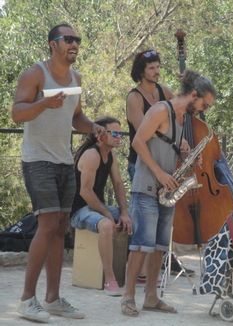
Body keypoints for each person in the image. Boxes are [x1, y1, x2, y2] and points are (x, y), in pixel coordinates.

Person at [11, 23, 104, 323]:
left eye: (78, 39)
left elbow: (76, 118)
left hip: (65, 161)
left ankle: (52, 299)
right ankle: (27, 300)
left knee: (61, 224)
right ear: (53, 44)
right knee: (48, 222)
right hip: (37, 159)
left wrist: (95, 128)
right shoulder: (36, 73)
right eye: (69, 39)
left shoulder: (76, 78)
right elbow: (17, 112)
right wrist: (44, 103)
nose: (75, 43)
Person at [121, 69, 216, 316]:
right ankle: (128, 297)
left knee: (160, 247)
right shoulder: (161, 110)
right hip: (147, 185)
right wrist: (160, 173)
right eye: (204, 104)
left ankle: (151, 297)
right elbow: (138, 142)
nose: (204, 109)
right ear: (193, 94)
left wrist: (184, 154)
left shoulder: (183, 118)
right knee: (141, 246)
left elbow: (166, 144)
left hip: (167, 188)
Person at [126, 50, 193, 286]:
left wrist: (182, 139)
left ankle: (153, 282)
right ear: (141, 70)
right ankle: (139, 280)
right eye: (152, 67)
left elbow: (180, 113)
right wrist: (172, 135)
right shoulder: (134, 97)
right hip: (142, 164)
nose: (156, 71)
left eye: (158, 66)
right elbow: (146, 130)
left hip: (166, 164)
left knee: (161, 227)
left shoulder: (164, 91)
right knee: (146, 226)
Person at [70, 116, 132, 296]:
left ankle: (140, 274)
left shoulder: (110, 154)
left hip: (96, 207)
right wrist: (107, 213)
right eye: (114, 133)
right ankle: (110, 280)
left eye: (120, 133)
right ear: (100, 135)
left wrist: (125, 212)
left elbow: (119, 184)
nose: (119, 136)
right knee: (106, 225)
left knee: (135, 216)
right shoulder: (91, 155)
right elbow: (85, 192)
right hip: (80, 211)